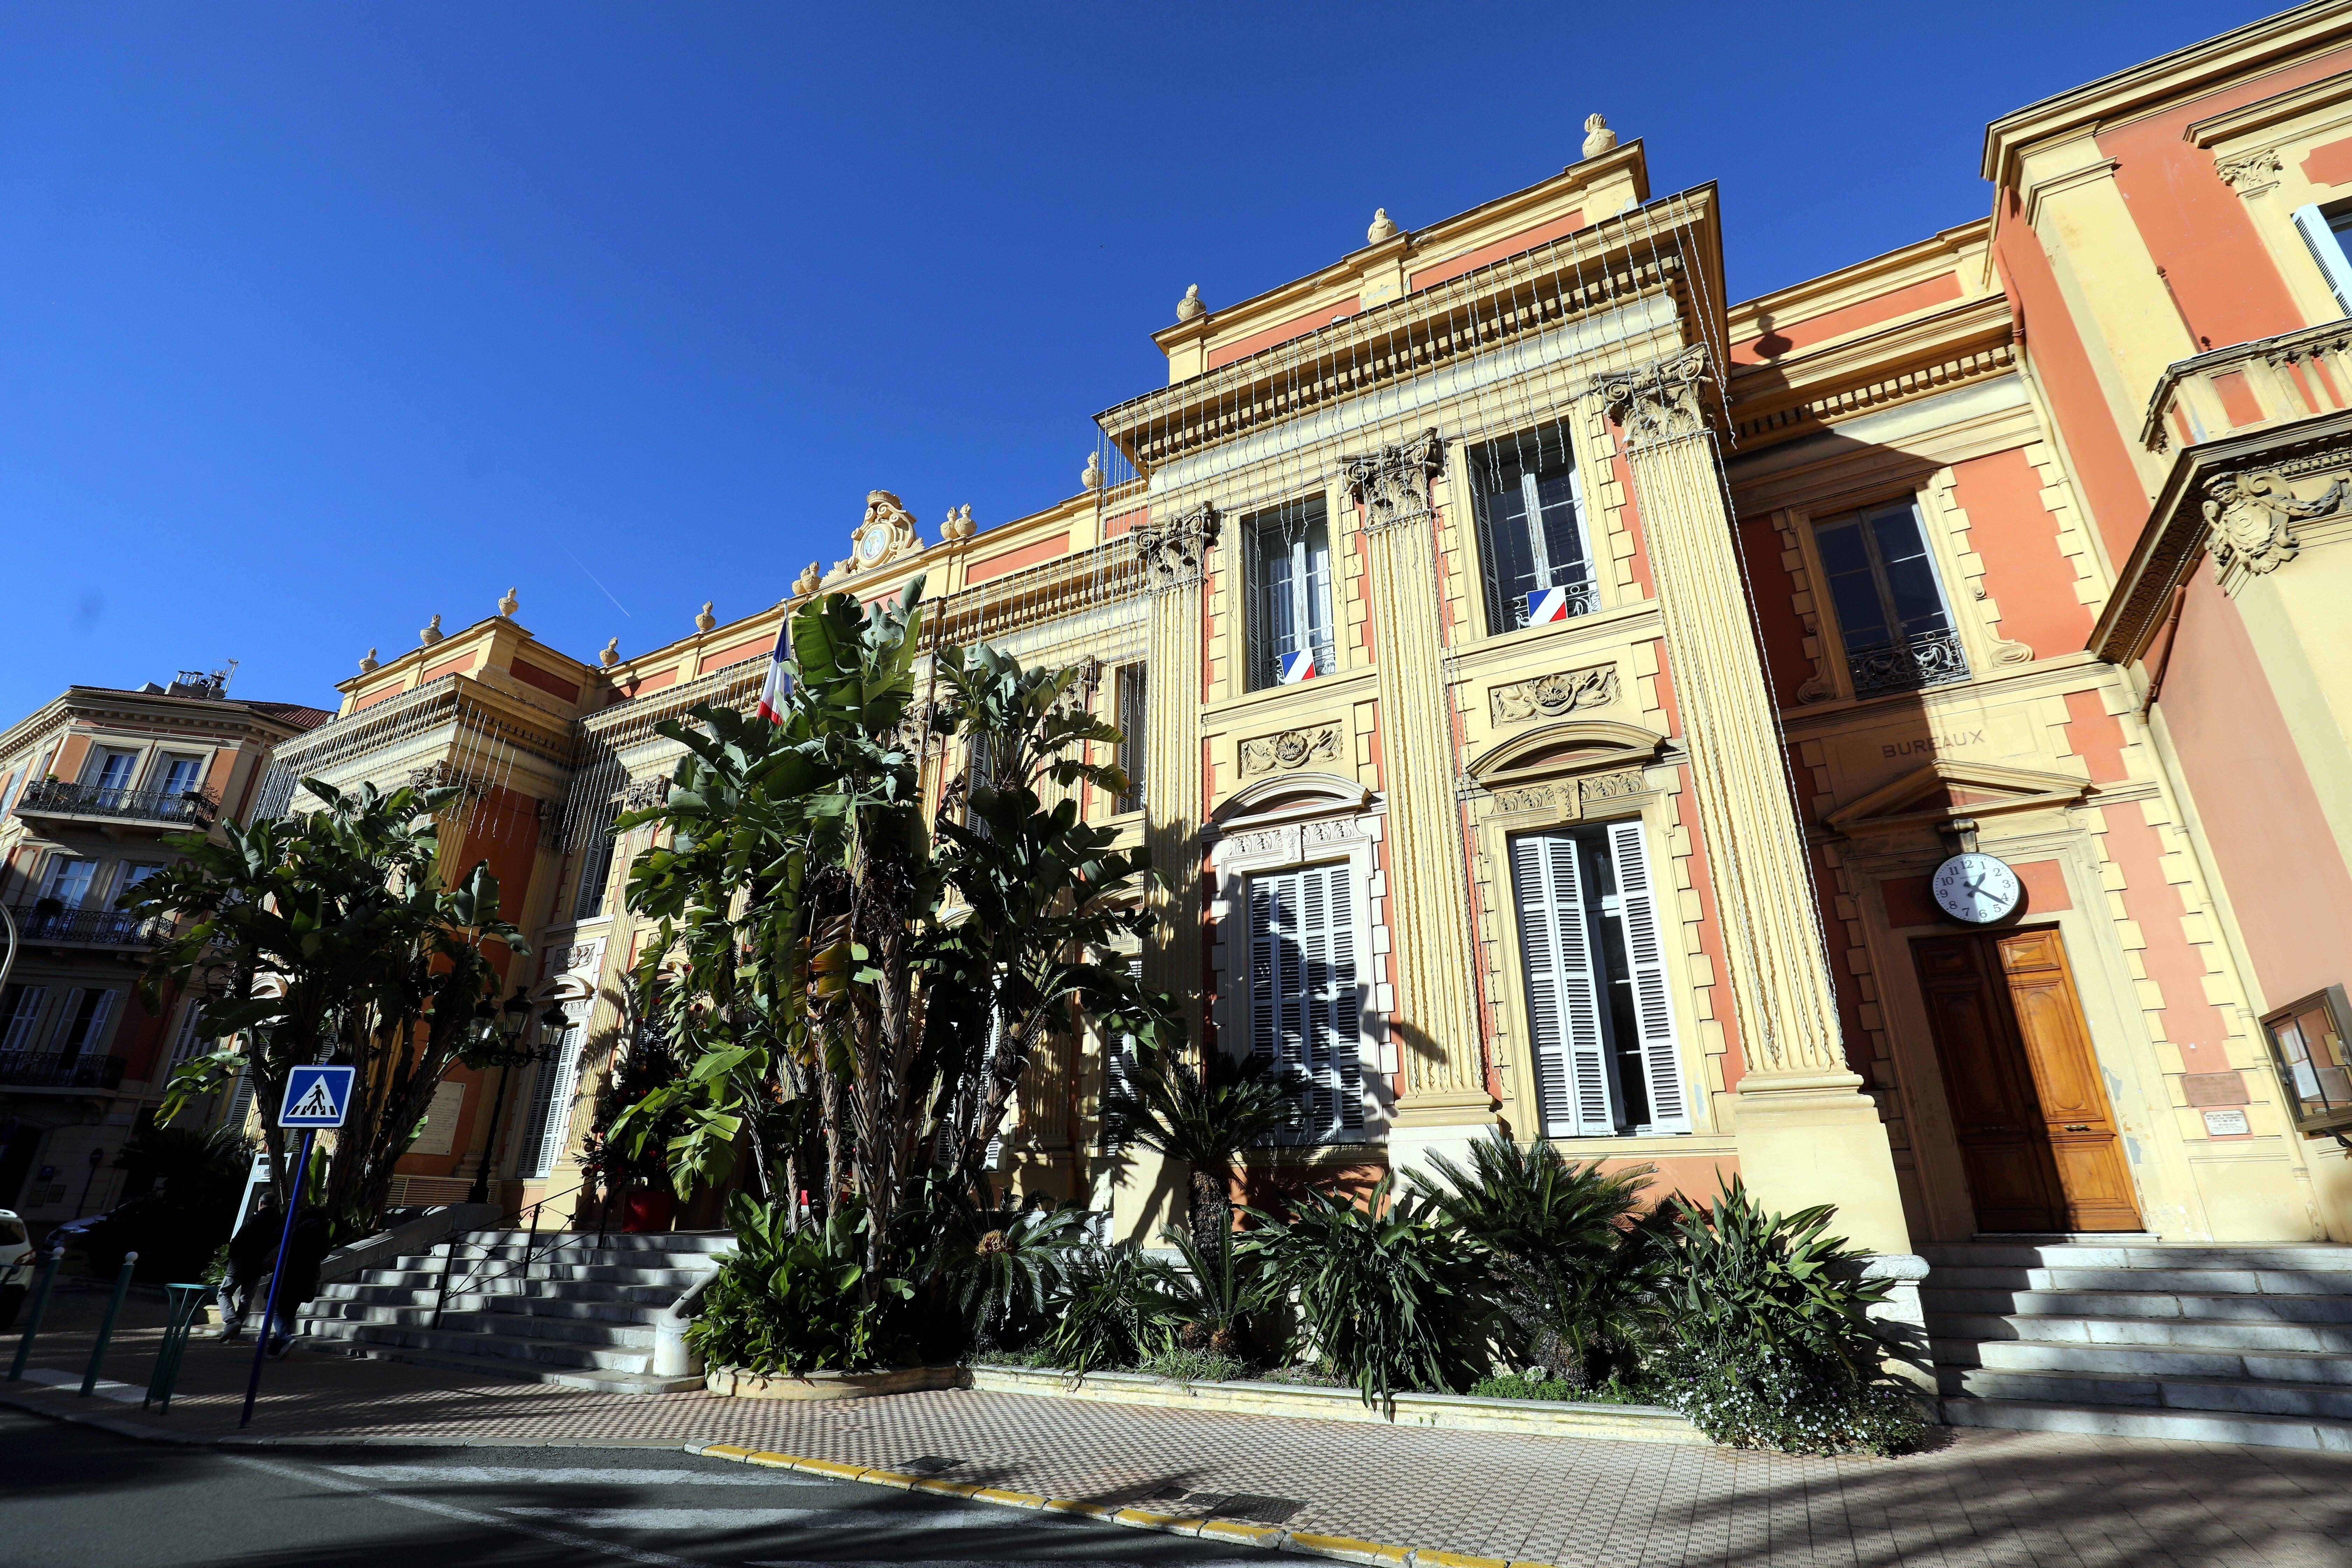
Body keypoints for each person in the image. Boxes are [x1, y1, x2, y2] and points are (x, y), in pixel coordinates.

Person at [264, 1204, 334, 1358]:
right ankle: (275, 1350)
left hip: (289, 1271)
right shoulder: (324, 1231)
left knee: (277, 1308)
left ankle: (286, 1337)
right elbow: (324, 1254)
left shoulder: (296, 1228)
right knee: (289, 1311)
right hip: (309, 1274)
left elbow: (278, 1239)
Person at [217, 1194, 280, 1342]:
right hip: (259, 1266)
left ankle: (232, 1322)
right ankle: (233, 1332)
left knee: (224, 1293)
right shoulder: (279, 1223)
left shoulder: (253, 1220)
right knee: (247, 1299)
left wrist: (232, 1256)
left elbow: (237, 1242)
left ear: (261, 1204)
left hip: (240, 1264)